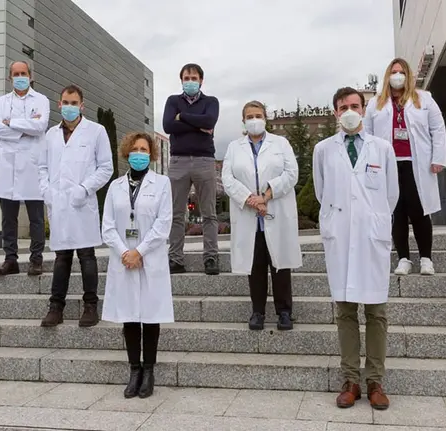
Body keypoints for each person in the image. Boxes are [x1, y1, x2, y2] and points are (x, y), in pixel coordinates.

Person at [313, 87, 399, 410]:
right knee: (345, 310)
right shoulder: (323, 150)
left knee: (376, 311)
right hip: (341, 237)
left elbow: (391, 195)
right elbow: (323, 194)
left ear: (363, 109)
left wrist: (371, 219)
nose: (348, 110)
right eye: (342, 106)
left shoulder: (383, 148)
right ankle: (351, 380)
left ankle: (375, 380)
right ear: (335, 112)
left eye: (354, 105)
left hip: (371, 237)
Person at [100, 132, 174, 399]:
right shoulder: (115, 186)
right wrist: (125, 252)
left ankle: (150, 371)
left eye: (144, 149)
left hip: (150, 258)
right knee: (130, 316)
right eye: (135, 149)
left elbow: (163, 223)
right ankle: (134, 370)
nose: (139, 153)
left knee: (150, 316)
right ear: (126, 153)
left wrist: (139, 251)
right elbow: (107, 227)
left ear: (151, 154)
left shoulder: (162, 183)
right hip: (124, 261)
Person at [222, 100, 301, 331]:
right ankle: (258, 312)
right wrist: (250, 199)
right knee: (255, 267)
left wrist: (266, 195)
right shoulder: (234, 147)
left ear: (265, 118)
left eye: (258, 115)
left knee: (280, 265)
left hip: (275, 211)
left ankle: (284, 312)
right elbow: (227, 179)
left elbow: (291, 173)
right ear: (243, 120)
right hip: (249, 217)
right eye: (249, 116)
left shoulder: (281, 143)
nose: (254, 119)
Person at [37, 85, 113, 328]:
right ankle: (55, 307)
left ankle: (90, 306)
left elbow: (106, 168)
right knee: (61, 257)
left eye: (74, 103)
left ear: (82, 105)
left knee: (87, 256)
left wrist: (84, 189)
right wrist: (46, 191)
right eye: (65, 102)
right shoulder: (50, 135)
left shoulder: (96, 131)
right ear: (59, 105)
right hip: (58, 204)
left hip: (82, 204)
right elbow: (41, 168)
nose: (69, 107)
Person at [364, 58, 446, 276]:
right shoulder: (376, 103)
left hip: (416, 163)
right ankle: (403, 258)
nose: (397, 76)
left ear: (408, 75)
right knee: (396, 211)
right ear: (387, 76)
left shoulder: (424, 98)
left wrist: (438, 158)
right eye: (393, 72)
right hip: (388, 165)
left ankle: (426, 258)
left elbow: (437, 128)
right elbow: (367, 136)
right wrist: (370, 165)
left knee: (420, 211)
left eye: (401, 72)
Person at [0, 60, 50, 276]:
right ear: (9, 77)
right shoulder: (0, 102)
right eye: (16, 73)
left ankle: (36, 259)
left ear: (30, 76)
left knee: (36, 217)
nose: (20, 76)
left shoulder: (41, 100)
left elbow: (40, 126)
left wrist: (10, 123)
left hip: (33, 165)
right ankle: (10, 259)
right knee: (8, 217)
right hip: (7, 166)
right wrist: (25, 127)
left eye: (23, 73)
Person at [162, 63, 220, 275]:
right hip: (178, 161)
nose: (190, 81)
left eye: (194, 78)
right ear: (181, 80)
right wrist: (199, 125)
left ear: (201, 80)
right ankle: (175, 258)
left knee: (209, 213)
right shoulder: (172, 101)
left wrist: (182, 116)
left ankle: (211, 257)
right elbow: (168, 125)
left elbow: (210, 120)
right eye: (186, 78)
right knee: (176, 213)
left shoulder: (211, 102)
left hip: (205, 160)